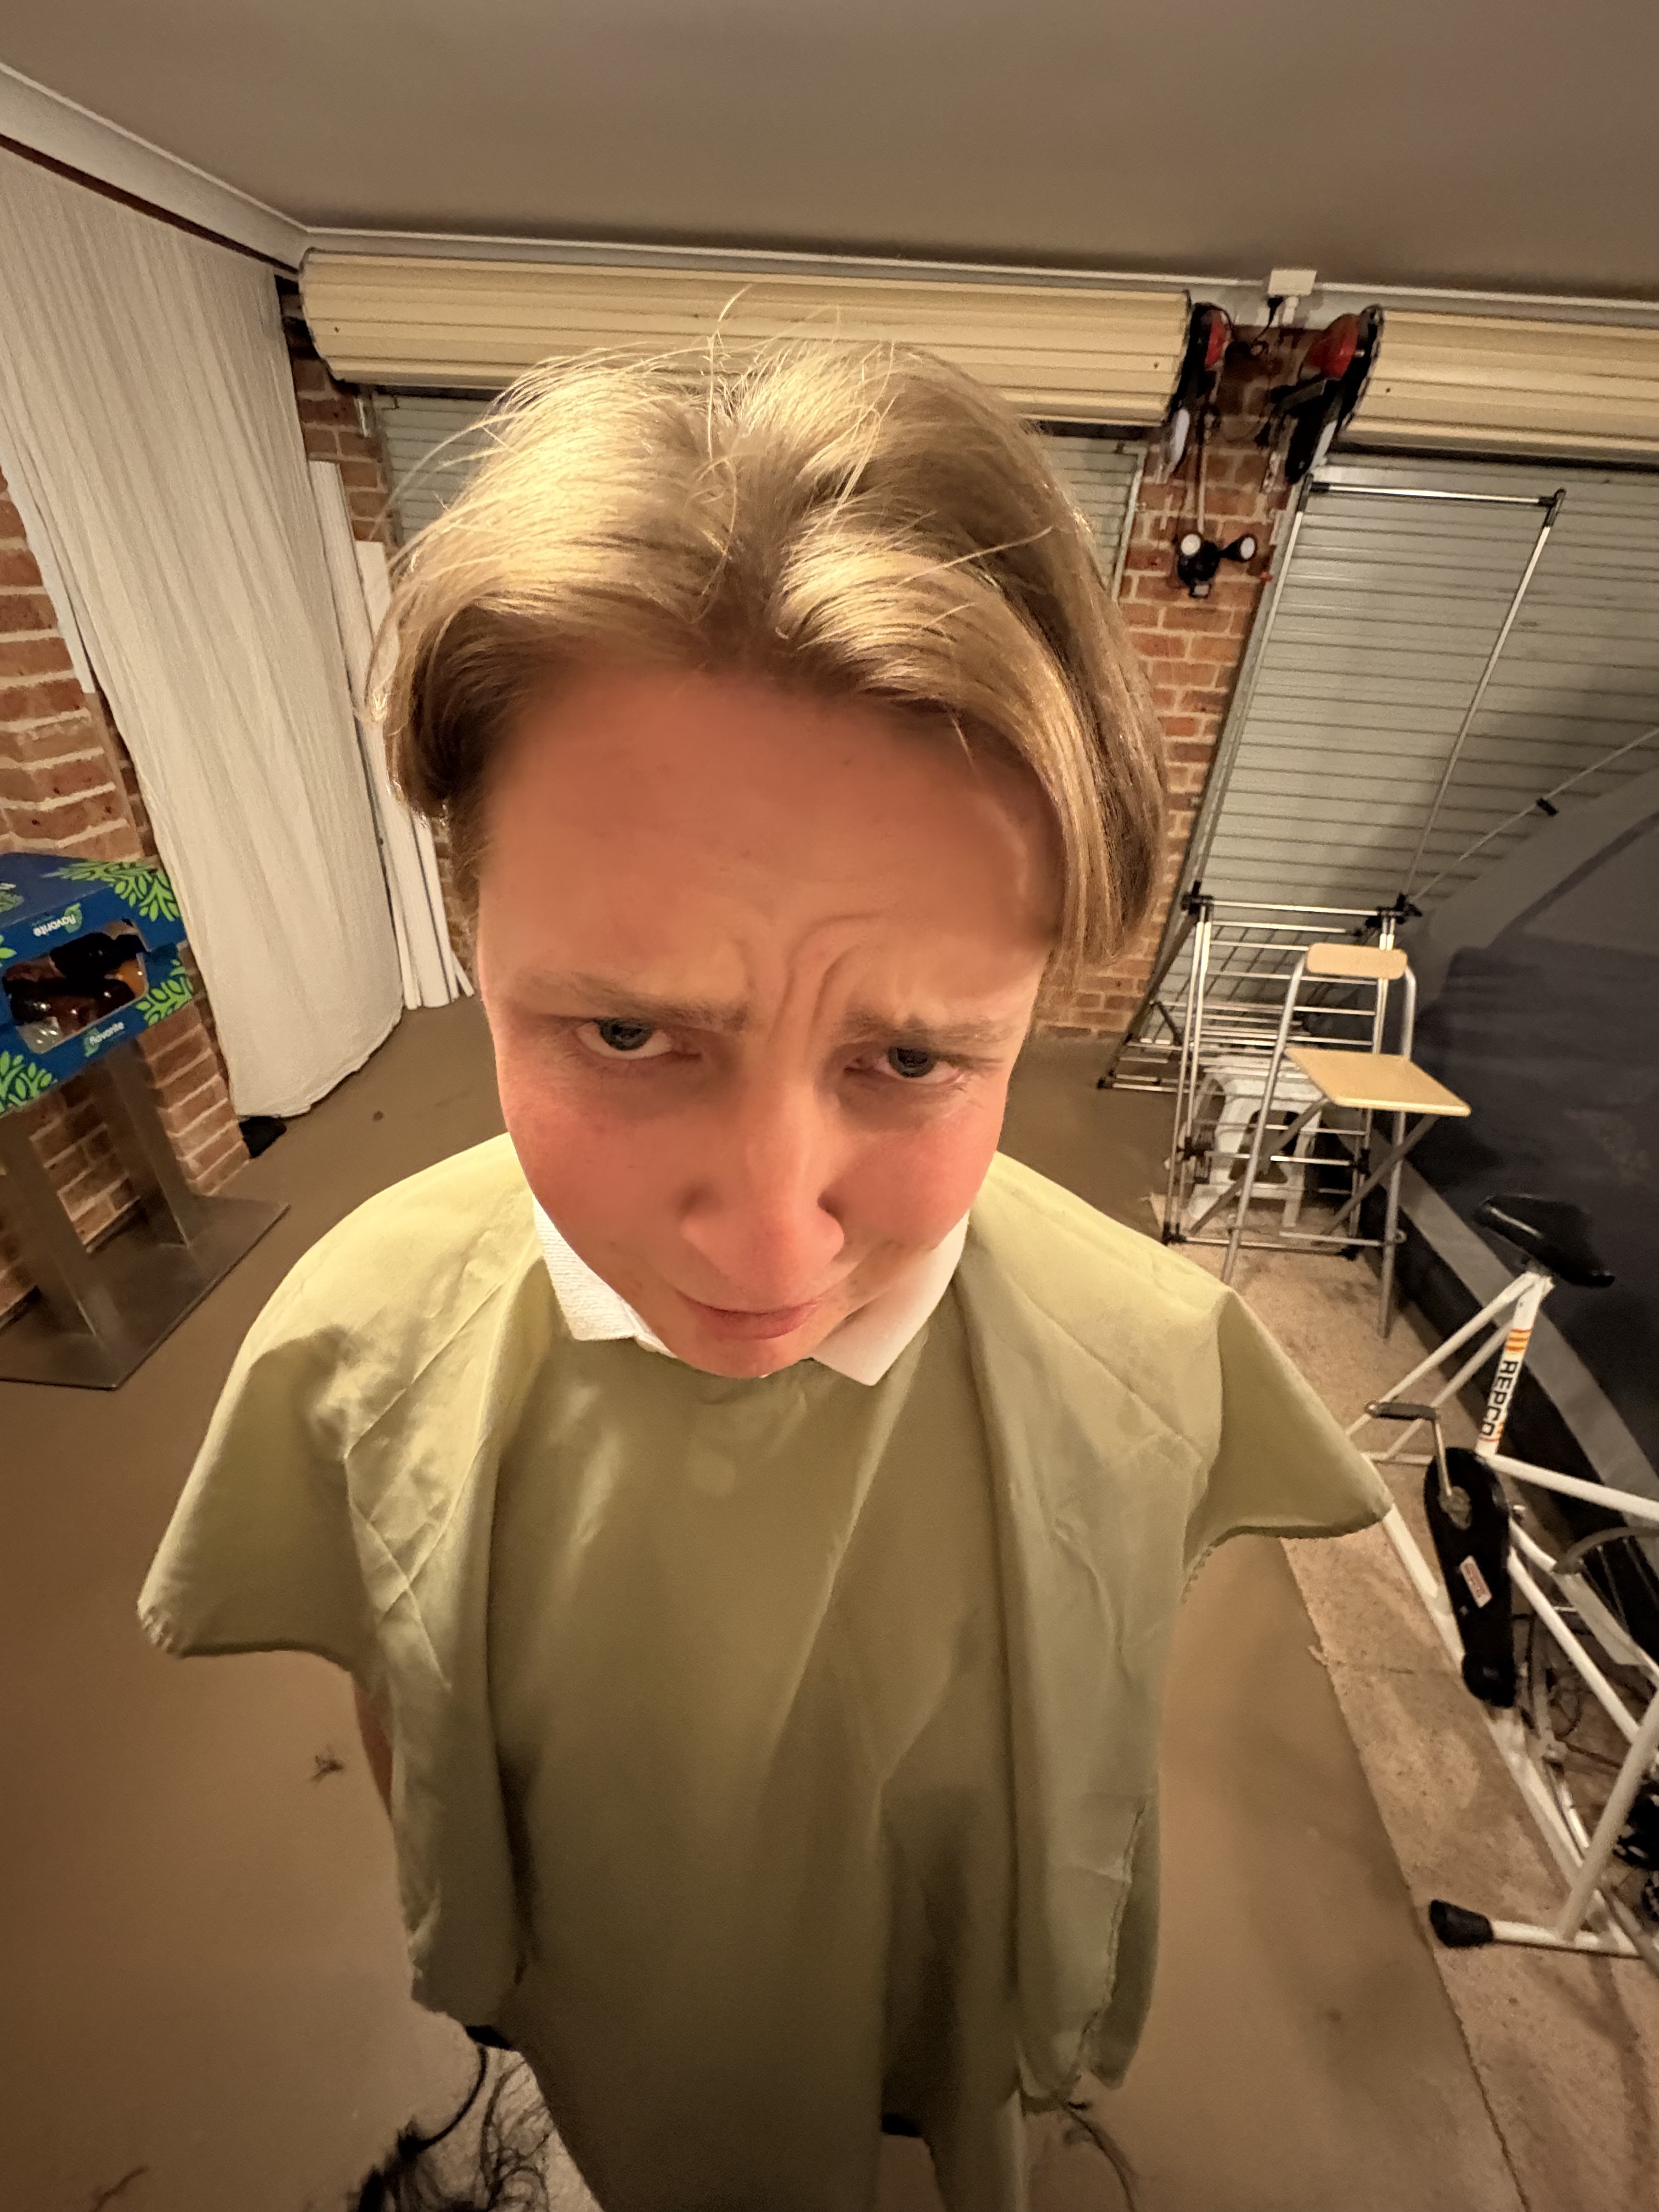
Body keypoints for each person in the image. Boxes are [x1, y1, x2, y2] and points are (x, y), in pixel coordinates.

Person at [139, 340, 1387, 2212]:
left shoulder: (1154, 1363)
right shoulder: (355, 1346)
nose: (770, 1242)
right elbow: (406, 1712)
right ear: (470, 931)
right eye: (627, 1033)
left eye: (912, 1055)